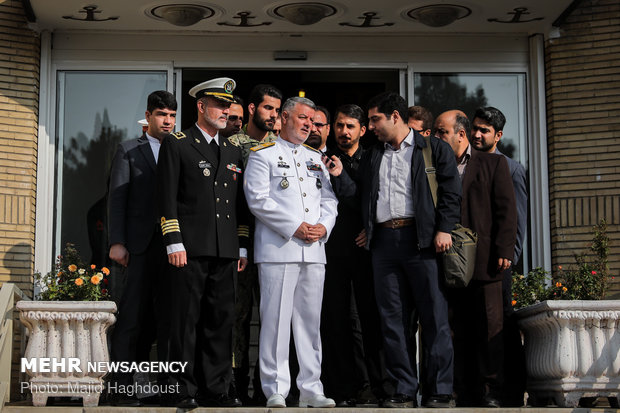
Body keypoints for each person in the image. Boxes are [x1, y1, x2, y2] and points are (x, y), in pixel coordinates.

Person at [326, 92, 461, 409]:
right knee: (392, 320)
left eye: (375, 119)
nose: (370, 126)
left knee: (434, 317)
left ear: (395, 117)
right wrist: (338, 177)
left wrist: (444, 229)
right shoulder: (374, 155)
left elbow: (452, 192)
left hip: (422, 241)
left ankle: (439, 390)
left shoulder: (433, 149)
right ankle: (402, 390)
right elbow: (359, 198)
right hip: (384, 245)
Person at [157, 77, 249, 409]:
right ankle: (181, 388)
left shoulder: (233, 148)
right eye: (220, 105)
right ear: (201, 106)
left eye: (229, 105)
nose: (226, 111)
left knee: (221, 321)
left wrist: (240, 245)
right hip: (189, 249)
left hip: (225, 250)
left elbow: (238, 204)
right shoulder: (178, 143)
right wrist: (173, 242)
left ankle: (217, 388)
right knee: (185, 321)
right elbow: (166, 198)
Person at [243, 96, 339, 409]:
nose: (309, 125)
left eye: (312, 120)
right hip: (278, 249)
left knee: (310, 324)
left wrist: (324, 227)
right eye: (303, 118)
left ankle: (312, 388)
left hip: (313, 250)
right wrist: (294, 225)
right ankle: (276, 389)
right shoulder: (263, 154)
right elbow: (257, 199)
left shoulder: (315, 156)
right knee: (275, 322)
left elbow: (330, 201)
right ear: (285, 118)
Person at [434, 109, 517, 407]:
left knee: (491, 325)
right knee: (457, 328)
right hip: (448, 260)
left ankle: (492, 390)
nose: (436, 137)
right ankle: (462, 389)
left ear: (461, 134)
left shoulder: (493, 163)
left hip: (485, 260)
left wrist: (505, 250)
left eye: (442, 132)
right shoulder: (435, 164)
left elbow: (507, 209)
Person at [107, 90, 177, 406]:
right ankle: (120, 387)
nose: (168, 121)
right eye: (162, 115)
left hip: (172, 248)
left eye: (173, 116)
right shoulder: (128, 150)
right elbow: (117, 199)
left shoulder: (180, 149)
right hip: (136, 247)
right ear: (148, 116)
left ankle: (166, 388)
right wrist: (117, 242)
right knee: (131, 319)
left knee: (168, 320)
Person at [320, 104, 386, 407]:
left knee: (365, 321)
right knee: (334, 319)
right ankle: (339, 388)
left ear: (362, 130)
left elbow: (377, 199)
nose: (344, 132)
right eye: (340, 125)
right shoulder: (323, 159)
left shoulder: (374, 158)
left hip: (364, 251)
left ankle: (370, 385)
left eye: (350, 126)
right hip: (331, 251)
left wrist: (370, 227)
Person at [227, 84, 282, 405]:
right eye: (267, 109)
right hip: (242, 243)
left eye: (276, 110)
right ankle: (237, 384)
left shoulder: (283, 146)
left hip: (277, 244)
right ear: (251, 109)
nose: (273, 116)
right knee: (238, 315)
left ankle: (269, 388)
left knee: (275, 317)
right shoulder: (232, 145)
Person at [470, 106, 528, 406]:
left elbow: (516, 218)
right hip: (473, 262)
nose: (478, 134)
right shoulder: (466, 163)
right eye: (475, 128)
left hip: (499, 263)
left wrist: (509, 257)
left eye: (485, 131)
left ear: (498, 135)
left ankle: (513, 391)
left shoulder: (512, 167)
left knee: (501, 325)